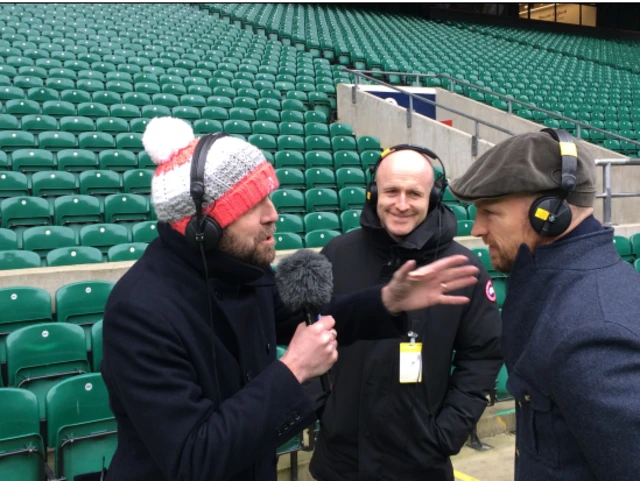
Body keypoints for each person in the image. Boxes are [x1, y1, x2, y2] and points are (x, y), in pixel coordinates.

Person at [100, 118, 482, 481]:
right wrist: (294, 369)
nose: (274, 215)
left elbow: (314, 318)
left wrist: (386, 301)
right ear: (205, 227)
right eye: (255, 205)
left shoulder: (243, 271)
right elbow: (192, 459)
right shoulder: (140, 311)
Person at [448, 128, 640, 481]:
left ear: (548, 213)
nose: (476, 228)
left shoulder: (593, 332)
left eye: (489, 212)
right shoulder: (562, 291)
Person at [309, 145, 503, 481]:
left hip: (421, 462)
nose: (401, 204)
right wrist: (323, 411)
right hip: (339, 460)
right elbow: (306, 336)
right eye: (391, 191)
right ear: (373, 193)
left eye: (414, 193)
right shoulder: (336, 255)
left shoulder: (462, 269)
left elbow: (483, 356)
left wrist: (446, 432)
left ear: (434, 196)